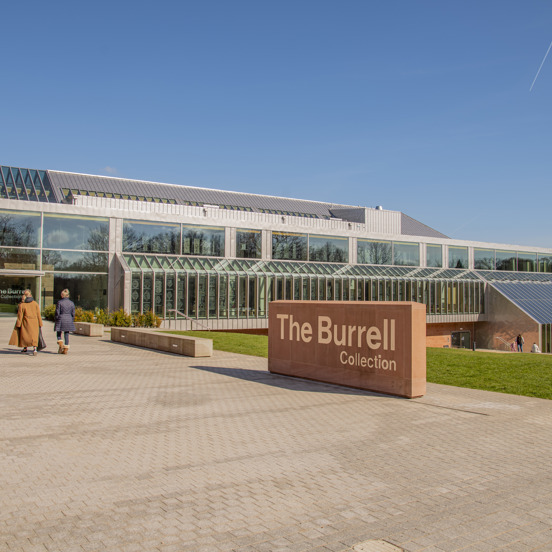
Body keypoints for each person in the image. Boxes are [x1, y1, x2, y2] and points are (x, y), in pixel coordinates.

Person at [12, 289, 43, 355]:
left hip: (26, 322)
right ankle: (35, 349)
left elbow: (20, 315)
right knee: (34, 336)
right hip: (35, 322)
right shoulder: (35, 303)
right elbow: (38, 314)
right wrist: (40, 323)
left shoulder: (22, 305)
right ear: (30, 295)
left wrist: (18, 324)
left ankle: (25, 348)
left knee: (25, 335)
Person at [54, 289, 76, 354]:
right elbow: (73, 313)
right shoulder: (72, 303)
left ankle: (60, 342)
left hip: (61, 318)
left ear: (62, 295)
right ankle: (66, 348)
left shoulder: (59, 302)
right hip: (69, 318)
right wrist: (72, 319)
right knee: (66, 333)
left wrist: (56, 318)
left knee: (59, 332)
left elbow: (57, 312)